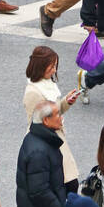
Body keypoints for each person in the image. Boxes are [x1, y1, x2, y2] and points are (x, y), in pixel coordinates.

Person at [22, 47, 80, 192]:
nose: (54, 70)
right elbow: (37, 122)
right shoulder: (33, 92)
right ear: (40, 66)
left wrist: (67, 101)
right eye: (51, 66)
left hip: (56, 138)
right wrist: (57, 121)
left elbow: (53, 110)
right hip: (47, 143)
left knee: (70, 184)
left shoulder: (48, 84)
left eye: (55, 66)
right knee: (66, 185)